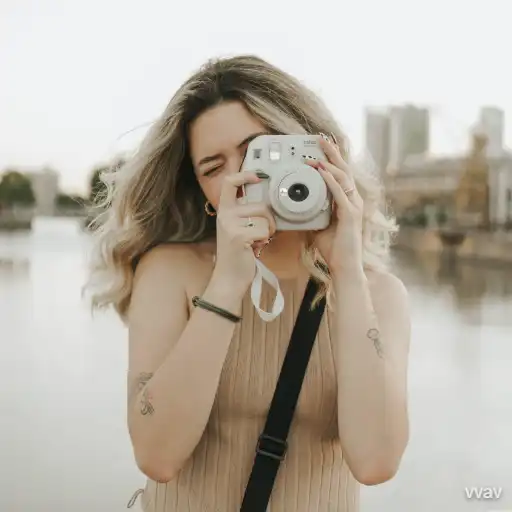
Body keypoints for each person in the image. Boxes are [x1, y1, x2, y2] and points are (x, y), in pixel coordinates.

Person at [85, 55, 411, 512]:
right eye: (214, 167)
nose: (242, 177)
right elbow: (156, 456)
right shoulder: (169, 272)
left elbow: (376, 462)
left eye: (260, 150)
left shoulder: (378, 294)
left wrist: (348, 273)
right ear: (203, 196)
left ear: (316, 153)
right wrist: (226, 285)